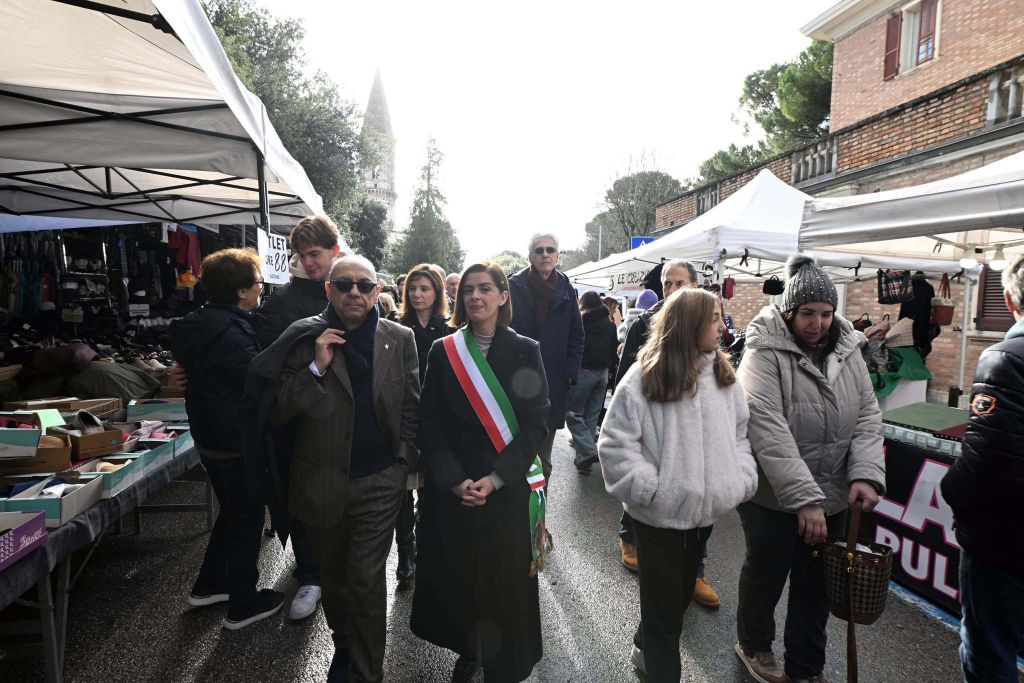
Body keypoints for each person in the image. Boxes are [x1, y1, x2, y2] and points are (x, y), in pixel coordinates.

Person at [734, 255, 885, 683]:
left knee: (815, 586)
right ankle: (754, 644)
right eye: (808, 314)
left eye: (825, 313)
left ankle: (807, 666)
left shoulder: (849, 349)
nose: (817, 323)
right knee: (767, 573)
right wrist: (804, 500)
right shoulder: (763, 350)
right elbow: (767, 428)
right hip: (772, 497)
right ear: (789, 311)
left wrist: (865, 473)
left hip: (833, 491)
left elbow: (868, 415)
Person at [271, 255, 420, 682]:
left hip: (380, 481)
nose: (354, 292)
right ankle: (345, 647)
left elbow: (412, 404)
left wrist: (402, 462)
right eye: (344, 285)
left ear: (377, 292)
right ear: (329, 291)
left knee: (367, 582)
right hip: (320, 482)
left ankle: (367, 673)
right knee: (334, 583)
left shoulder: (400, 337)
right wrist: (317, 367)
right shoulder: (304, 339)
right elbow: (279, 409)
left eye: (363, 285)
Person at [600, 287, 758, 681]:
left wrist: (738, 480)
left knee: (679, 596)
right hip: (657, 519)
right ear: (689, 325)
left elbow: (741, 436)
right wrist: (653, 491)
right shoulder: (644, 376)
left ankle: (644, 645)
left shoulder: (724, 376)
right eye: (714, 318)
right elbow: (615, 444)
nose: (723, 327)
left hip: (704, 516)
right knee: (664, 613)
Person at [411, 261, 550, 683]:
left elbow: (536, 425)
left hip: (505, 486)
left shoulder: (527, 349)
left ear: (503, 296)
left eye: (486, 288)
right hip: (456, 486)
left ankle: (504, 661)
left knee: (505, 579)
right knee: (462, 572)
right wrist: (454, 479)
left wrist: (496, 477)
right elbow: (429, 421)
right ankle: (470, 649)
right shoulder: (444, 349)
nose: (475, 296)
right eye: (468, 289)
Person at [170, 248, 285, 629]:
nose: (261, 290)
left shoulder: (195, 324)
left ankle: (209, 584)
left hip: (208, 437)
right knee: (248, 516)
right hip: (236, 441)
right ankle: (243, 602)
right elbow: (257, 385)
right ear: (240, 291)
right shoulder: (232, 333)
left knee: (233, 511)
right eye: (257, 284)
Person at [614, 261, 719, 611]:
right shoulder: (646, 321)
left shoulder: (708, 322)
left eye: (680, 283)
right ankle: (630, 537)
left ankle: (696, 572)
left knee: (698, 510)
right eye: (667, 283)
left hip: (696, 447)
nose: (672, 290)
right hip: (654, 435)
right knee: (647, 489)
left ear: (695, 284)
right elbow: (626, 377)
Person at [254, 214, 344, 621]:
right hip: (298, 419)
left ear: (334, 251)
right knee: (303, 499)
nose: (309, 262)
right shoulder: (281, 303)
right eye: (302, 255)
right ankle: (310, 574)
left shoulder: (351, 291)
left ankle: (334, 568)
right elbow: (262, 363)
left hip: (344, 421)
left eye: (315, 253)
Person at [940, 252, 1024, 683]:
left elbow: (988, 462)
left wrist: (951, 490)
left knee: (989, 654)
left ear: (1010, 300)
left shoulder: (1006, 357)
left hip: (1006, 542)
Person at [508, 233, 584, 495]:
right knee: (513, 454)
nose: (545, 255)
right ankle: (512, 517)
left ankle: (537, 519)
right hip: (516, 383)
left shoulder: (566, 288)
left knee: (544, 460)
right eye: (539, 250)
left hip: (553, 384)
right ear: (530, 256)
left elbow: (577, 334)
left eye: (550, 250)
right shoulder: (513, 286)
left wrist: (569, 374)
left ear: (558, 256)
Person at [393, 263, 452, 585]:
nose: (417, 294)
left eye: (424, 288)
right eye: (413, 289)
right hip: (402, 420)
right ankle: (404, 555)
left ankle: (424, 547)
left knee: (431, 491)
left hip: (436, 424)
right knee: (402, 493)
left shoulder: (449, 329)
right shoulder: (393, 326)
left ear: (437, 293)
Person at [568, 291, 617, 473]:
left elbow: (575, 348)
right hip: (603, 374)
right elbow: (613, 351)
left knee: (572, 413)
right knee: (590, 416)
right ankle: (583, 460)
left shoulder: (580, 322)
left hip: (584, 372)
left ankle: (588, 451)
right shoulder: (610, 325)